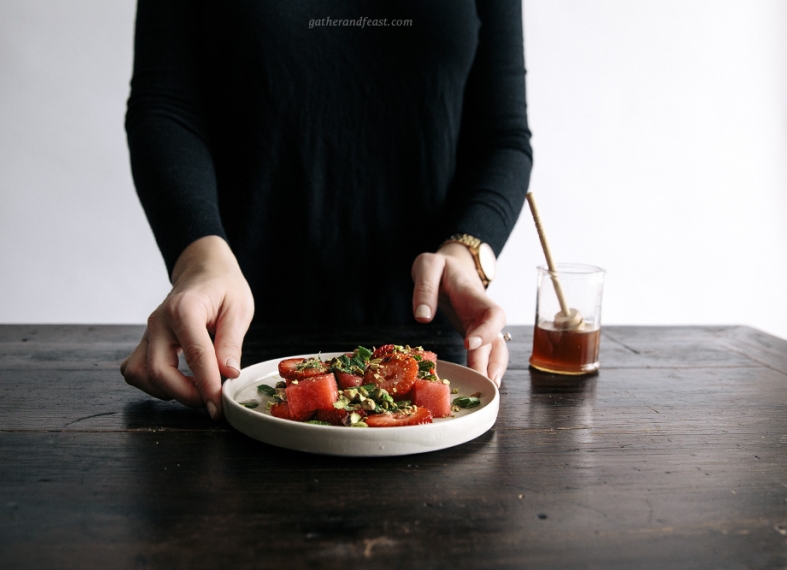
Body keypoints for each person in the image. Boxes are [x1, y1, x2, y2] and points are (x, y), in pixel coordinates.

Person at [120, 0, 533, 420]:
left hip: (432, 347)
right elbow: (165, 106)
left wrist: (466, 252)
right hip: (239, 339)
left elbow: (503, 135)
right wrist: (198, 259)